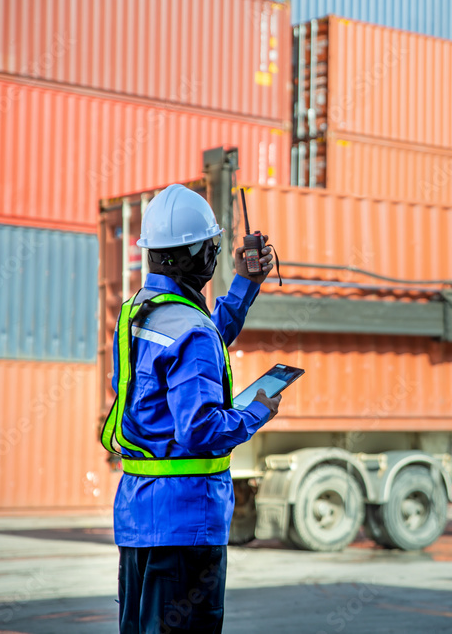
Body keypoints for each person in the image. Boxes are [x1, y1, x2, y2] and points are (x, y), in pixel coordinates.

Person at [100, 183, 279, 633]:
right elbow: (201, 429)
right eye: (213, 249)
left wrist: (245, 285)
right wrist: (257, 411)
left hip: (140, 520)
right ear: (199, 255)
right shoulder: (192, 331)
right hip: (187, 525)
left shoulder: (142, 312)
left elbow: (202, 337)